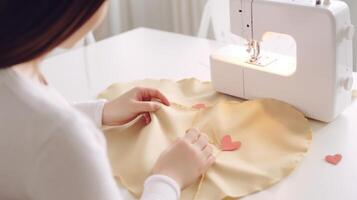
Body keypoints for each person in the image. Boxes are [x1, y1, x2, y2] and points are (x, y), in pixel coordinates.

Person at [0, 1, 215, 200]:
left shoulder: (14, 74)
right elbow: (49, 134)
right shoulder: (63, 139)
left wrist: (100, 112)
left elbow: (20, 124)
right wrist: (169, 178)